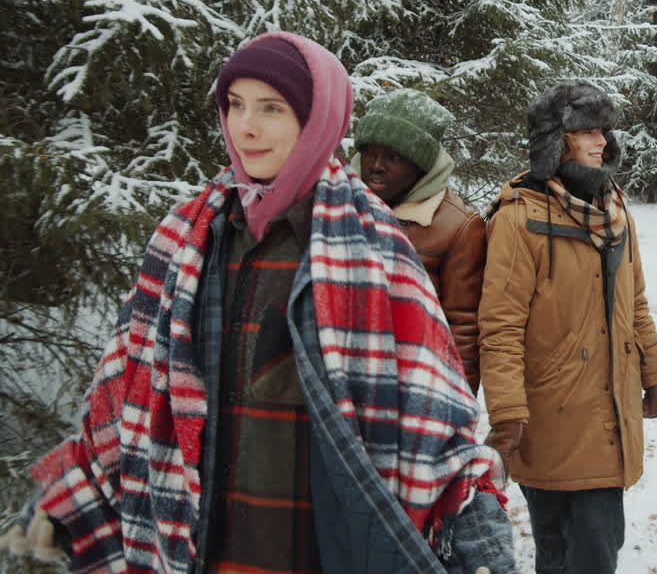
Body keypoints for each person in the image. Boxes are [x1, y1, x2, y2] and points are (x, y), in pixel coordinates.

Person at [0, 32, 514, 574]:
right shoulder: (186, 238)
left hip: (314, 541)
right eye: (236, 105)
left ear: (318, 118)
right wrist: (65, 499)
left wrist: (476, 531)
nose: (246, 127)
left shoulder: (375, 247)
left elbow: (435, 414)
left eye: (271, 108)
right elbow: (126, 387)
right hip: (200, 538)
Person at [478, 80, 657, 574]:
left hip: (609, 409)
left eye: (603, 130)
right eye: (587, 131)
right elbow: (500, 327)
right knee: (563, 550)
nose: (601, 141)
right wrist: (507, 412)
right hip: (550, 412)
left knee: (597, 546)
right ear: (554, 140)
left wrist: (655, 369)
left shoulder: (615, 205)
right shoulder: (519, 216)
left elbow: (636, 300)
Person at [352, 89, 486, 393]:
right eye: (370, 152)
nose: (376, 165)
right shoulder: (336, 205)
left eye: (394, 156)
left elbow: (464, 329)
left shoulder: (458, 227)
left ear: (421, 163)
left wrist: (456, 406)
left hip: (412, 388)